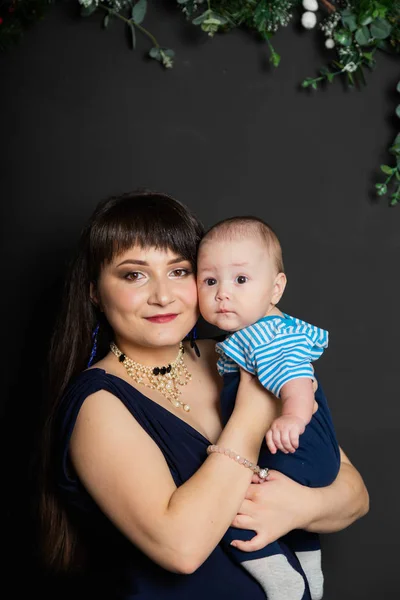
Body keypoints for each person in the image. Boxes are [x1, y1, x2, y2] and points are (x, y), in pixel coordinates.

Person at [38, 189, 369, 600]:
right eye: (134, 274)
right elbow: (182, 547)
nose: (162, 295)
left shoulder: (237, 351)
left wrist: (298, 508)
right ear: (94, 291)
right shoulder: (97, 402)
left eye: (179, 271)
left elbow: (353, 492)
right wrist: (252, 413)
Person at [197, 216, 340, 599]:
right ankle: (309, 568)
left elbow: (294, 376)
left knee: (228, 504)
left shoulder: (265, 335)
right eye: (210, 281)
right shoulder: (258, 331)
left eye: (240, 280)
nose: (223, 293)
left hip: (295, 448)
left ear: (276, 288)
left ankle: (282, 578)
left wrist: (292, 415)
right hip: (310, 457)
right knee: (286, 512)